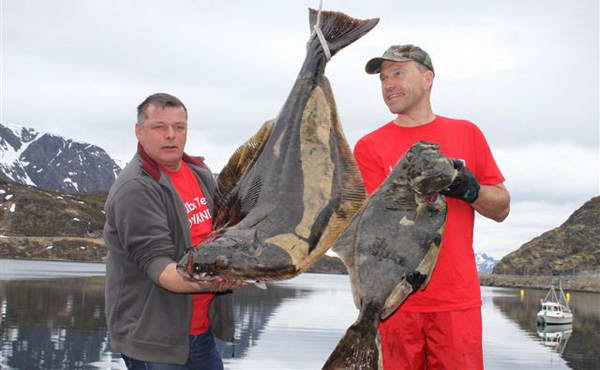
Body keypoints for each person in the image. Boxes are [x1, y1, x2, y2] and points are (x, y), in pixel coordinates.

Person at [355, 45, 511, 369]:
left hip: (456, 304)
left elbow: (501, 208)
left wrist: (465, 186)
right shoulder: (369, 147)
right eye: (383, 78)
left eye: (398, 73)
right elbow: (365, 228)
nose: (388, 85)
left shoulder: (467, 133)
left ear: (428, 79)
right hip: (394, 304)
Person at [104, 93, 243, 369]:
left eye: (179, 127)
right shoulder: (136, 188)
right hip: (155, 340)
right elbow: (160, 267)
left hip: (200, 333)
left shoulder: (200, 174)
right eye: (159, 127)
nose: (171, 135)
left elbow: (224, 237)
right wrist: (218, 279)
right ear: (139, 131)